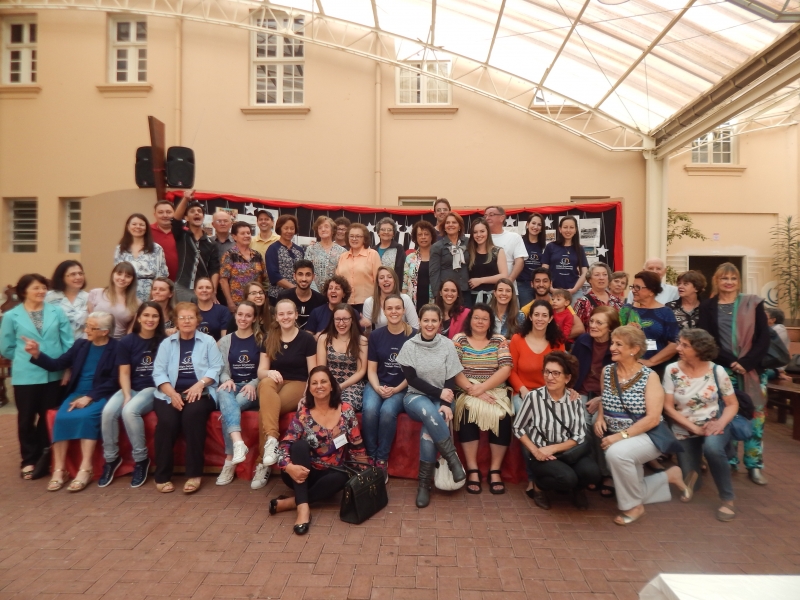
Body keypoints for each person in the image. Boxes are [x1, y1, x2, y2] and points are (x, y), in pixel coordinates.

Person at [594, 326, 691, 525]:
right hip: (621, 437)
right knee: (633, 487)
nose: (612, 347)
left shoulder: (649, 377)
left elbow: (653, 419)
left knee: (616, 454)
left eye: (619, 344)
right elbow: (605, 397)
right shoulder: (607, 371)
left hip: (648, 436)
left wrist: (619, 437)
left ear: (634, 349)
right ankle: (669, 476)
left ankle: (634, 507)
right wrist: (600, 418)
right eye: (612, 343)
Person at [25, 312, 120, 492]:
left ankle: (86, 469)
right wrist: (37, 354)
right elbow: (57, 364)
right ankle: (60, 470)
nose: (86, 330)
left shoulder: (117, 348)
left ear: (105, 331)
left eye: (91, 327)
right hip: (76, 393)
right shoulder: (80, 345)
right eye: (86, 325)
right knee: (61, 418)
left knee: (86, 416)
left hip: (100, 394)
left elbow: (114, 380)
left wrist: (90, 397)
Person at [270, 366, 369, 535]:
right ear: (309, 388)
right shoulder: (303, 414)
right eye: (314, 383)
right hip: (301, 472)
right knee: (299, 446)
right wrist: (289, 467)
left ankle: (293, 502)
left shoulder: (346, 411)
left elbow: (357, 445)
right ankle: (303, 510)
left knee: (345, 476)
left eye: (323, 381)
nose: (319, 386)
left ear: (332, 386)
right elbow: (284, 445)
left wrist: (365, 476)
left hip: (330, 475)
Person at [697, 262, 770, 485]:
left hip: (752, 370)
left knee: (755, 416)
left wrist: (746, 363)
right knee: (725, 414)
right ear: (716, 281)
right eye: (724, 278)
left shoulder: (753, 303)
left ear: (739, 281)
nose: (729, 282)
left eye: (733, 278)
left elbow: (763, 338)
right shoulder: (707, 306)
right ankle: (729, 460)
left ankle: (754, 464)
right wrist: (732, 362)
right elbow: (707, 340)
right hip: (723, 370)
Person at [0, 274, 73, 480]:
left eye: (43, 288)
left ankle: (44, 455)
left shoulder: (56, 311)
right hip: (26, 374)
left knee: (47, 416)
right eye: (36, 288)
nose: (41, 291)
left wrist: (66, 367)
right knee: (26, 419)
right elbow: (6, 347)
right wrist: (23, 357)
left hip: (54, 372)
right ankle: (28, 460)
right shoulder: (12, 316)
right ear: (24, 291)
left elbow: (68, 342)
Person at [663, 329, 739, 521]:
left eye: (684, 345)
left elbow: (732, 404)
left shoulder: (717, 371)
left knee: (713, 449)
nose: (678, 348)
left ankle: (727, 499)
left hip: (712, 424)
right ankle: (703, 458)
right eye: (679, 343)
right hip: (684, 427)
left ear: (699, 349)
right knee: (692, 486)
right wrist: (694, 429)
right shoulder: (672, 370)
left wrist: (720, 423)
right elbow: (668, 407)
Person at [396, 304, 466, 508]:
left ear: (440, 323)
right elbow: (412, 380)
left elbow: (451, 378)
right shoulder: (409, 346)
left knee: (431, 424)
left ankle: (424, 484)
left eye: (434, 320)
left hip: (442, 399)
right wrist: (439, 393)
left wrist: (445, 403)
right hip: (415, 398)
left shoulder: (447, 345)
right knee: (429, 412)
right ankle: (452, 459)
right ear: (419, 322)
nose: (429, 324)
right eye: (425, 320)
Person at [152, 301, 223, 494]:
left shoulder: (208, 341)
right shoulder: (167, 343)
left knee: (192, 416)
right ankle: (162, 475)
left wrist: (200, 384)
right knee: (167, 422)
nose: (186, 321)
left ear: (197, 320)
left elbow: (216, 367)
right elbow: (158, 372)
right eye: (182, 318)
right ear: (175, 321)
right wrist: (172, 394)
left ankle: (194, 474)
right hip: (169, 393)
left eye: (190, 317)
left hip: (201, 392)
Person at [514, 352, 600, 510]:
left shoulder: (574, 400)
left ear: (567, 378)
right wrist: (535, 451)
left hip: (569, 451)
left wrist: (553, 448)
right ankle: (539, 487)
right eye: (547, 372)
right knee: (567, 478)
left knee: (593, 473)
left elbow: (580, 434)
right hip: (542, 455)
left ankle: (578, 489)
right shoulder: (533, 398)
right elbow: (517, 427)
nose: (549, 377)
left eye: (556, 373)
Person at [99, 301, 166, 488]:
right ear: (139, 318)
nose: (150, 319)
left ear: (160, 319)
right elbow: (124, 373)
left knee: (129, 411)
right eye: (146, 315)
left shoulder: (164, 341)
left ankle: (141, 459)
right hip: (131, 387)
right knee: (108, 412)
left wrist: (130, 401)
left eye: (154, 316)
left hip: (153, 388)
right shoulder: (127, 341)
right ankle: (111, 459)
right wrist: (127, 394)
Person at [452, 304, 514, 495]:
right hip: (466, 390)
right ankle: (473, 469)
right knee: (467, 412)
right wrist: (475, 391)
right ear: (470, 320)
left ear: (490, 322)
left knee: (503, 416)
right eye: (476, 318)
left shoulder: (499, 340)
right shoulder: (459, 339)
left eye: (484, 318)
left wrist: (483, 388)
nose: (480, 321)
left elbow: (506, 369)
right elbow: (454, 369)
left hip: (494, 390)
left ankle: (495, 470)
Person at [508, 299, 566, 494]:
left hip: (550, 393)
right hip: (523, 393)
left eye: (544, 315)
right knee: (528, 424)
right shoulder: (517, 339)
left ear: (550, 319)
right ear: (530, 317)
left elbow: (562, 372)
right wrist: (523, 389)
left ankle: (557, 473)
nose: (540, 319)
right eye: (536, 315)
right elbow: (511, 370)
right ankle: (533, 478)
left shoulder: (557, 342)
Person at [257, 299, 318, 480]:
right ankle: (272, 440)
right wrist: (269, 372)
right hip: (275, 382)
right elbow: (261, 371)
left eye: (289, 313)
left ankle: (262, 463)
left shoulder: (306, 339)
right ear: (276, 317)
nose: (286, 317)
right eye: (281, 314)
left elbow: (313, 372)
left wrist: (307, 394)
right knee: (265, 383)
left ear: (296, 315)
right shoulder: (269, 337)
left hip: (298, 383)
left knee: (265, 410)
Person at [362, 295, 415, 478]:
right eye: (390, 308)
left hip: (402, 386)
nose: (394, 312)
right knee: (370, 409)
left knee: (387, 411)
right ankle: (371, 456)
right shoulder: (376, 335)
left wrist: (396, 389)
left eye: (397, 308)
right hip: (378, 383)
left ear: (404, 310)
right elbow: (371, 370)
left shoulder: (413, 335)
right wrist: (377, 387)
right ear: (384, 311)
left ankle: (382, 460)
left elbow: (413, 373)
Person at [571, 305, 620, 497]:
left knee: (597, 425)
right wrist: (570, 389)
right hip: (582, 391)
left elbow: (621, 379)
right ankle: (592, 472)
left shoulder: (617, 346)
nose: (593, 325)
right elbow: (572, 367)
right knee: (582, 423)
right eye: (592, 321)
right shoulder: (583, 340)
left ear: (611, 327)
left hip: (608, 395)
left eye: (599, 323)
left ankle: (606, 474)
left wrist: (601, 398)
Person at [215, 301, 265, 486]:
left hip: (252, 388)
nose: (243, 318)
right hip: (233, 384)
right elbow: (221, 369)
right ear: (235, 316)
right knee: (223, 392)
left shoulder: (262, 340)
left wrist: (253, 383)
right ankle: (238, 444)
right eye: (240, 314)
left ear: (254, 318)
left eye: (248, 315)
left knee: (229, 407)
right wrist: (226, 379)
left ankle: (229, 461)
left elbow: (265, 368)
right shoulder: (226, 341)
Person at [619, 271, 680, 377]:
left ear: (651, 291)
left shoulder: (665, 312)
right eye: (633, 286)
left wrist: (650, 362)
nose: (633, 290)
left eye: (638, 287)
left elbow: (675, 343)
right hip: (628, 368)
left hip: (656, 370)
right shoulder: (626, 310)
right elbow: (616, 338)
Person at [164, 197, 221, 303]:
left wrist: (213, 291)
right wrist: (185, 199)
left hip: (203, 289)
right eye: (192, 211)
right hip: (182, 287)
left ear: (203, 217)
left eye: (199, 211)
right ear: (186, 217)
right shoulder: (181, 236)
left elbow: (214, 269)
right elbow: (175, 220)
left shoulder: (211, 243)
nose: (196, 213)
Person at [317, 304, 368, 411]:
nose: (341, 323)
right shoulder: (324, 339)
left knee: (342, 408)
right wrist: (329, 386)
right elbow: (321, 368)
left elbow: (361, 371)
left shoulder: (361, 341)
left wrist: (340, 386)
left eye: (345, 319)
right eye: (337, 319)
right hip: (328, 383)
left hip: (352, 385)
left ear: (352, 320)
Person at [114, 213, 169, 303]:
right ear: (128, 227)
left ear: (146, 228)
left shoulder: (156, 248)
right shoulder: (120, 249)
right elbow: (117, 273)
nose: (138, 227)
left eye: (141, 225)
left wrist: (156, 293)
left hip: (149, 292)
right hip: (126, 291)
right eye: (134, 224)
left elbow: (161, 274)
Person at [520, 268, 585, 340]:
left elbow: (579, 328)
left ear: (550, 284)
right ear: (532, 284)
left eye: (545, 281)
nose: (541, 284)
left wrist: (554, 340)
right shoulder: (526, 309)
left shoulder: (561, 304)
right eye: (537, 281)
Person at [87, 262, 141, 339]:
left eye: (128, 276)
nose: (122, 278)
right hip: (94, 340)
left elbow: (130, 330)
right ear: (113, 274)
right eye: (119, 274)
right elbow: (88, 320)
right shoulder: (95, 293)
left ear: (132, 279)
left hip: (118, 342)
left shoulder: (137, 303)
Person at [220, 221, 265, 311]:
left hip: (256, 302)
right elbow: (223, 280)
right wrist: (230, 301)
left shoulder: (257, 255)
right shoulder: (229, 255)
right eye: (243, 233)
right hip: (238, 303)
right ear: (234, 236)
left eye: (248, 233)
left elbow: (264, 277)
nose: (247, 235)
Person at [336, 223, 381, 312]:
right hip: (345, 304)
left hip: (367, 304)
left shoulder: (372, 254)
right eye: (351, 236)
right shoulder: (343, 256)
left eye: (358, 236)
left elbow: (378, 280)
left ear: (364, 238)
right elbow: (338, 280)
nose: (354, 239)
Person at [541, 216, 589, 300]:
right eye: (565, 227)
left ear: (575, 230)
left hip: (574, 293)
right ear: (560, 229)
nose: (568, 230)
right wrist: (550, 288)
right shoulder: (551, 246)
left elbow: (585, 272)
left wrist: (574, 289)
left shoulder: (579, 248)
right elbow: (544, 270)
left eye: (571, 227)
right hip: (552, 292)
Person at [429, 212, 470, 306]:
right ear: (444, 227)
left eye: (454, 222)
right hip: (447, 294)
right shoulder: (437, 247)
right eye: (447, 223)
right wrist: (437, 296)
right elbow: (434, 273)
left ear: (460, 226)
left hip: (465, 291)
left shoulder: (468, 243)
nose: (450, 225)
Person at [361, 266, 419, 330]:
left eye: (389, 277)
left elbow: (415, 327)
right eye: (381, 278)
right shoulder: (370, 302)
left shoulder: (405, 299)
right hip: (380, 336)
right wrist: (368, 327)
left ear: (394, 281)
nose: (385, 280)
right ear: (378, 283)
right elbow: (367, 333)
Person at [467, 217, 508, 305]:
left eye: (482, 231)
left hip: (493, 298)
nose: (479, 235)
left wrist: (480, 280)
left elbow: (504, 276)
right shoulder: (468, 252)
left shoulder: (498, 251)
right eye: (475, 232)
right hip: (471, 298)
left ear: (488, 232)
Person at [484, 206, 527, 289]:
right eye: (485, 216)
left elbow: (519, 261)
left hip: (507, 289)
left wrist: (509, 281)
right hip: (484, 288)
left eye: (491, 215)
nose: (487, 218)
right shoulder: (481, 237)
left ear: (502, 218)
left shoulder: (514, 237)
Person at [266, 215, 305, 305]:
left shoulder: (299, 250)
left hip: (297, 297)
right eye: (286, 228)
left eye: (292, 228)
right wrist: (295, 289)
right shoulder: (273, 249)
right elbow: (273, 275)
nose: (289, 231)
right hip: (278, 296)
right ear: (280, 229)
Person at [46, 260, 90, 340]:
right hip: (55, 343)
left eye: (80, 274)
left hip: (82, 344)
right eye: (73, 274)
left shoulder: (89, 298)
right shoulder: (49, 297)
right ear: (61, 277)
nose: (78, 277)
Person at [277, 260, 326, 330]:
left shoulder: (321, 300)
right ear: (294, 276)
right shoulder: (283, 297)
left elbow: (321, 327)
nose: (304, 279)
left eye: (308, 275)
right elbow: (277, 323)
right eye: (300, 274)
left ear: (313, 277)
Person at [573, 263, 623, 329]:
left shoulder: (617, 301)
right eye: (597, 275)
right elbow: (577, 328)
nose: (601, 278)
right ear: (590, 279)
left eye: (604, 274)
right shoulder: (582, 302)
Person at [304, 216, 346, 291]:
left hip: (335, 291)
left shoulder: (342, 251)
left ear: (332, 230)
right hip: (313, 291)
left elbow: (343, 275)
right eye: (320, 228)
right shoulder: (311, 249)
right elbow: (306, 271)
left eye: (326, 227)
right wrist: (314, 291)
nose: (323, 230)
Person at [403, 220, 436, 311]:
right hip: (412, 303)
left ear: (432, 236)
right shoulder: (410, 258)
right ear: (415, 237)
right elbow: (405, 283)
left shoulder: (437, 257)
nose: (423, 237)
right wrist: (404, 302)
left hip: (434, 302)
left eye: (426, 234)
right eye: (420, 235)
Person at [518, 213, 547, 307]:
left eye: (539, 225)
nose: (536, 227)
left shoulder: (544, 246)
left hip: (539, 285)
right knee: (527, 311)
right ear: (527, 224)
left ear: (542, 228)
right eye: (533, 223)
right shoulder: (519, 241)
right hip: (523, 284)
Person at [195, 277, 229, 341]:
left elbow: (224, 339)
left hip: (217, 346)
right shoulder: (189, 311)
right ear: (195, 291)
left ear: (213, 291)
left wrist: (213, 346)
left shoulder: (223, 311)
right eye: (200, 288)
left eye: (208, 287)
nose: (204, 290)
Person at [765, 307, 792, 382]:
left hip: (774, 369)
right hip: (767, 367)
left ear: (773, 320)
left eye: (764, 316)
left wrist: (779, 371)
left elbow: (775, 352)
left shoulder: (779, 329)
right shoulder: (770, 329)